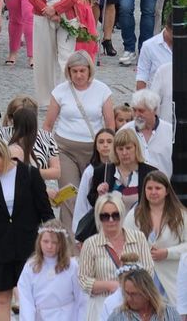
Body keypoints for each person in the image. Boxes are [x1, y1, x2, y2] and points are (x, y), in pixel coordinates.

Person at [0, 138, 55, 321]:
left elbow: (46, 212)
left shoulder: (30, 174)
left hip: (28, 244)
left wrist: (53, 242)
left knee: (31, 297)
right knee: (2, 297)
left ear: (5, 156)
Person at [44, 51, 116, 229]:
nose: (78, 75)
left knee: (95, 193)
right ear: (68, 71)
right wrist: (44, 153)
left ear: (89, 70)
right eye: (74, 71)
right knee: (70, 196)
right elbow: (48, 125)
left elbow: (110, 124)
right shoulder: (60, 91)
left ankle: (95, 234)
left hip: (95, 150)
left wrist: (109, 149)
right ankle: (70, 242)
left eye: (82, 71)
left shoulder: (102, 91)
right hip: (65, 149)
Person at [78, 193, 155, 320]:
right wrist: (109, 285)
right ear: (98, 217)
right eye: (105, 216)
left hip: (136, 305)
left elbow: (149, 271)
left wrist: (131, 286)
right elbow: (83, 280)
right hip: (102, 305)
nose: (111, 220)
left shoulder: (139, 238)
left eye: (115, 215)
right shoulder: (90, 244)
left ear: (122, 214)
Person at [29, 0, 82, 106]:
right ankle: (46, 99)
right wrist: (47, 10)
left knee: (66, 57)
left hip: (66, 14)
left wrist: (57, 9)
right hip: (42, 14)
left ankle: (67, 96)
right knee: (44, 58)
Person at [122, 170, 187, 307]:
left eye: (158, 188)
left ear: (167, 191)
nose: (153, 192)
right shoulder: (134, 215)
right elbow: (125, 244)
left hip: (173, 282)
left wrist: (167, 253)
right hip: (143, 282)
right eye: (149, 188)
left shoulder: (180, 215)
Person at [15, 221, 87, 321]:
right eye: (45, 241)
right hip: (41, 316)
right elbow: (26, 299)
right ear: (39, 241)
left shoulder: (71, 266)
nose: (49, 246)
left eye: (54, 242)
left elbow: (81, 298)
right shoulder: (31, 266)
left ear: (61, 244)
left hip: (66, 315)